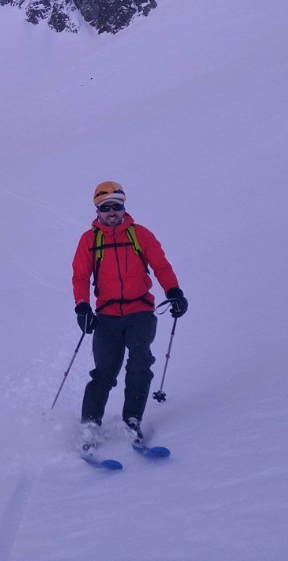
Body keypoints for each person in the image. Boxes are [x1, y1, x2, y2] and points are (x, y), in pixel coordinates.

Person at [71, 181, 188, 442]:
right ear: (97, 210)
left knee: (139, 364)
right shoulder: (90, 240)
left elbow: (161, 266)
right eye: (105, 207)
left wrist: (174, 292)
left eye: (117, 206)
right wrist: (82, 306)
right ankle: (90, 426)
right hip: (107, 316)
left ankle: (132, 419)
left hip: (140, 312)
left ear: (124, 207)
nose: (111, 212)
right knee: (104, 372)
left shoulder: (140, 235)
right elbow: (80, 275)